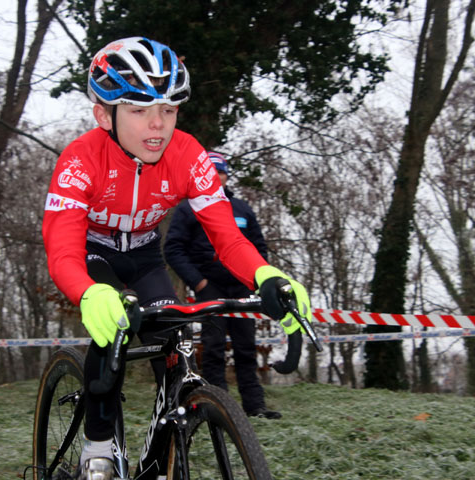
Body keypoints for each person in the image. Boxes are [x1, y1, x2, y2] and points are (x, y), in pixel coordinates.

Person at [41, 37, 311, 480]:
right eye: (139, 110)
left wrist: (266, 275)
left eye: (168, 110)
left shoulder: (189, 156)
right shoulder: (81, 160)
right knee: (111, 334)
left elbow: (228, 238)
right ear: (103, 114)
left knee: (173, 338)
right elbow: (63, 249)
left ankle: (166, 442)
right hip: (94, 252)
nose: (157, 125)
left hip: (145, 254)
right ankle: (98, 447)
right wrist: (88, 292)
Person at [164, 152, 281, 420]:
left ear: (227, 176)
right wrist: (198, 281)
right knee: (213, 348)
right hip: (210, 288)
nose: (217, 177)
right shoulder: (187, 208)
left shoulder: (242, 208)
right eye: (211, 173)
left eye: (221, 172)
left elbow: (259, 248)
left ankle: (255, 407)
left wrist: (256, 280)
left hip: (242, 288)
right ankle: (220, 409)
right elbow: (173, 249)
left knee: (246, 348)